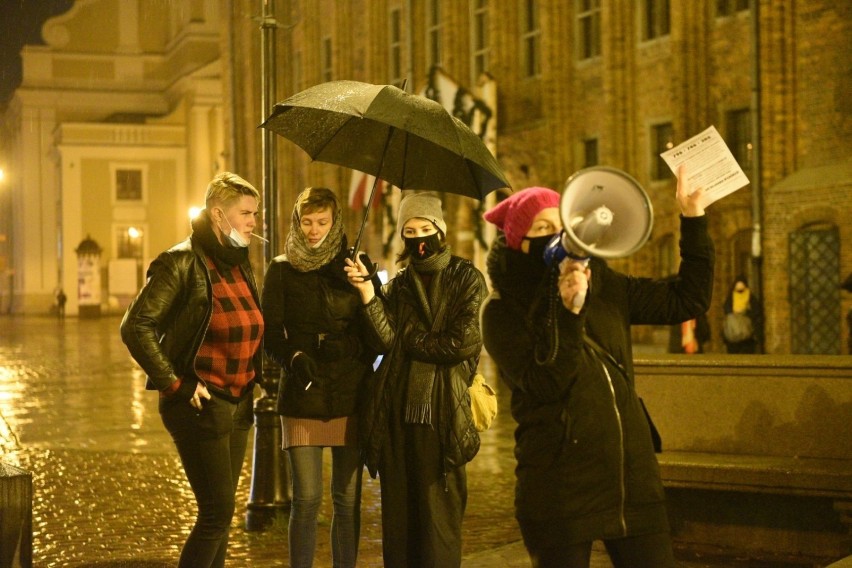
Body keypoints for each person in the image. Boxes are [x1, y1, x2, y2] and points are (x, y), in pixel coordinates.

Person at [481, 167, 714, 568]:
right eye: (542, 227)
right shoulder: (502, 310)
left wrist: (693, 219)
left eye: (562, 222)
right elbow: (545, 382)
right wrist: (568, 309)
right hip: (560, 488)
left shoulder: (608, 287)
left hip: (630, 479)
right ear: (520, 244)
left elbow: (687, 300)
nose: (558, 234)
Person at [120, 172, 264, 568]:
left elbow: (251, 324)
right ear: (219, 215)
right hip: (200, 403)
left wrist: (259, 377)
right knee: (216, 513)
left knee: (221, 513)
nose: (254, 222)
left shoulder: (238, 261)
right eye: (246, 213)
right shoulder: (180, 262)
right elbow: (136, 326)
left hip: (237, 403)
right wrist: (176, 385)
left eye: (256, 214)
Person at [344, 192, 487, 567]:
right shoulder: (398, 286)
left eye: (426, 228)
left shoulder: (465, 277)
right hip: (397, 417)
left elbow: (462, 342)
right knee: (400, 523)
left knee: (439, 521)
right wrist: (367, 295)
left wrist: (410, 341)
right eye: (410, 230)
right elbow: (385, 340)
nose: (419, 238)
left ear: (440, 229)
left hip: (444, 416)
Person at [262, 187, 376, 568]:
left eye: (322, 223)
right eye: (307, 222)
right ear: (296, 221)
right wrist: (294, 357)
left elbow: (376, 334)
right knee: (306, 498)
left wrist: (365, 289)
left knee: (346, 500)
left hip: (348, 392)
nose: (314, 231)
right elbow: (271, 332)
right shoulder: (281, 268)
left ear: (335, 222)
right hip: (302, 392)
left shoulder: (354, 267)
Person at [722, 275, 763, 353]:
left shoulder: (750, 296)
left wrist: (745, 313)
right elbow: (726, 308)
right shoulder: (731, 297)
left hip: (747, 335)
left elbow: (756, 311)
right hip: (733, 332)